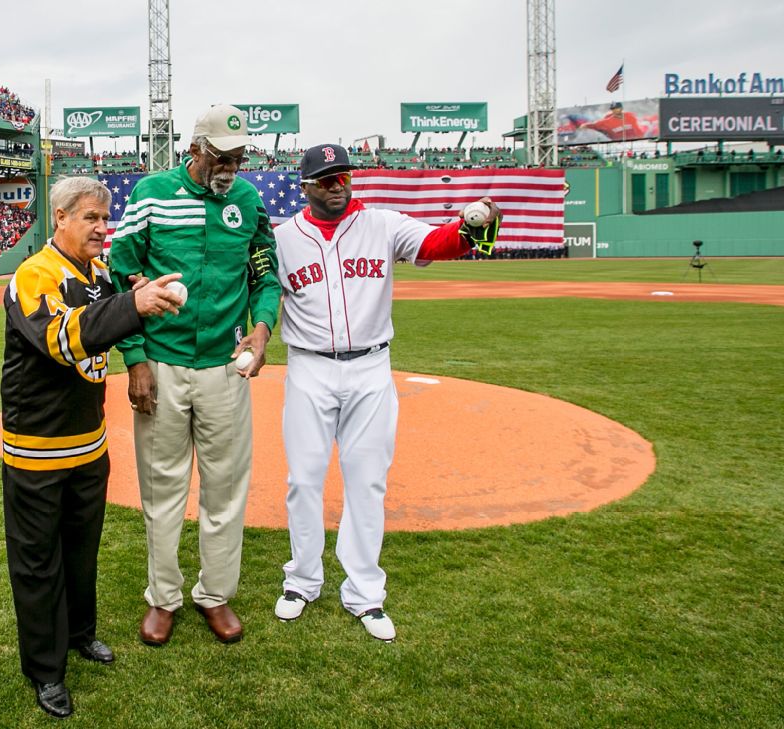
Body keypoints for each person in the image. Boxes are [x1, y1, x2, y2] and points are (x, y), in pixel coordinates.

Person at [270, 144, 500, 642]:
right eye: (326, 178)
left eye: (343, 175)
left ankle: (364, 593)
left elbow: (438, 244)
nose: (337, 184)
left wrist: (470, 224)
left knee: (367, 481)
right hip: (308, 368)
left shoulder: (383, 224)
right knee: (304, 479)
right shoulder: (284, 238)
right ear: (305, 186)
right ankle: (303, 581)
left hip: (372, 367)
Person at [0, 177, 183, 718]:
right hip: (38, 449)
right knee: (38, 563)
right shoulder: (34, 274)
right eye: (90, 218)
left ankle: (80, 634)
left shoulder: (99, 274)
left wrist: (136, 299)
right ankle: (45, 670)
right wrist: (134, 306)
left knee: (81, 552)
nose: (104, 228)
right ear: (59, 217)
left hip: (88, 445)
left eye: (106, 218)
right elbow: (62, 340)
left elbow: (109, 315)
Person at [108, 104, 282, 647]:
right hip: (160, 363)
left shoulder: (248, 201)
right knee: (162, 489)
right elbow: (121, 274)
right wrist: (134, 358)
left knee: (226, 488)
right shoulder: (151, 193)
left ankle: (215, 594)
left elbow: (264, 273)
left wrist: (262, 328)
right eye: (222, 157)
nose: (232, 166)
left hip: (225, 368)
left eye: (240, 156)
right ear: (195, 150)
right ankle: (163, 597)